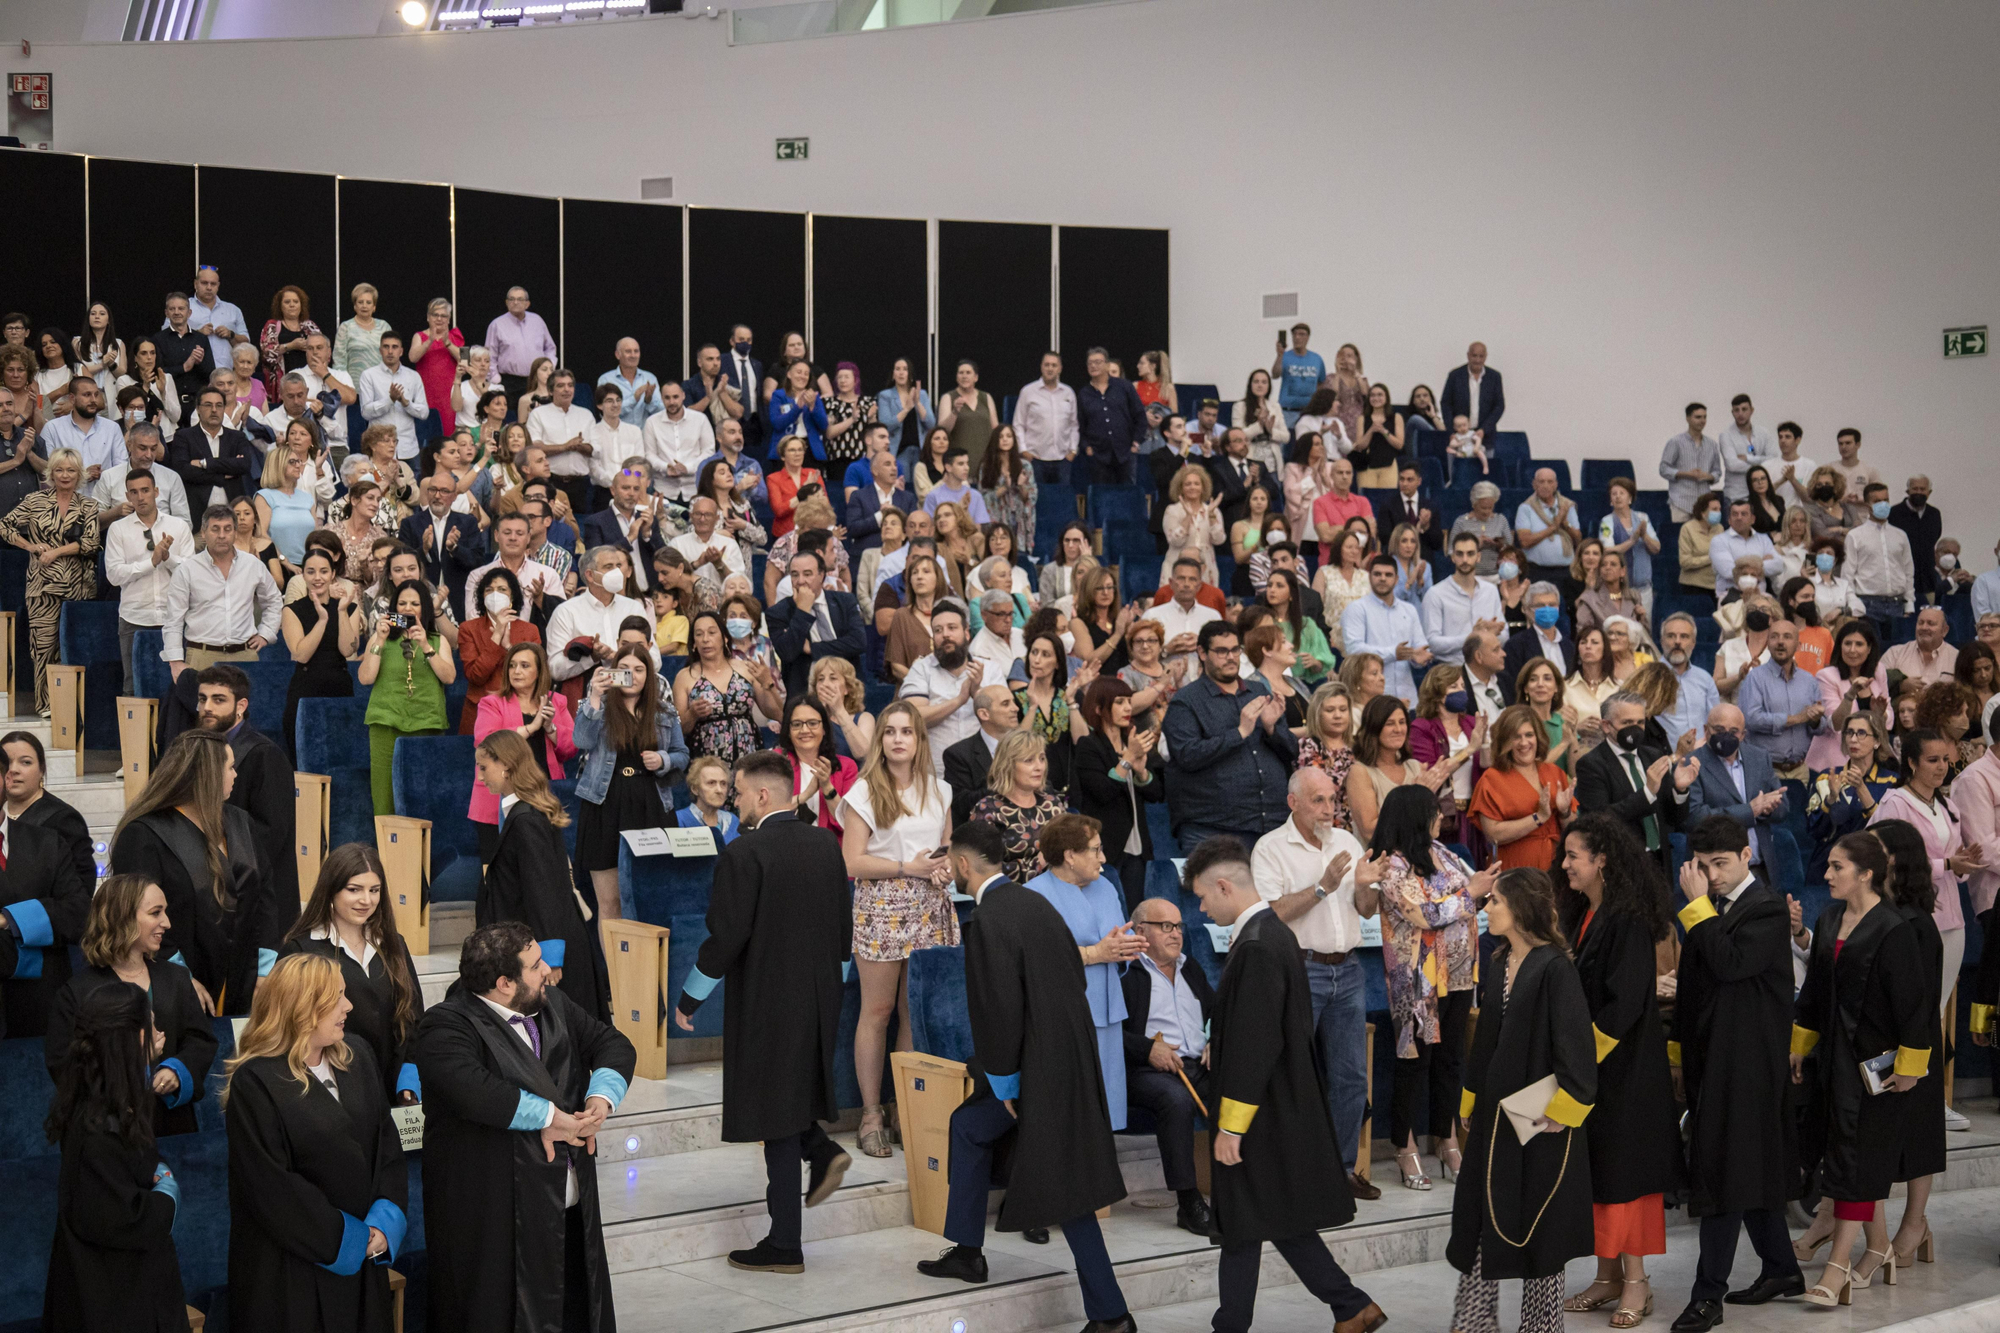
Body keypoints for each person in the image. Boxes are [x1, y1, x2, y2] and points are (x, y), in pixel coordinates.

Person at [914, 822, 1135, 1333]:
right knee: (969, 1127)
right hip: (1070, 1058)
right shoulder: (1038, 905)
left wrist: (1009, 1088)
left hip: (1036, 1071)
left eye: (952, 867)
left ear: (965, 866)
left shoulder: (990, 919)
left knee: (1069, 1191)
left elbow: (997, 1013)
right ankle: (968, 1251)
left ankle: (1112, 1316)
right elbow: (1075, 978)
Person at [658, 747, 857, 1274]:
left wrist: (688, 999)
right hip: (819, 998)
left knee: (774, 1113)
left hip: (768, 1003)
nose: (735, 800)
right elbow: (843, 930)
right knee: (788, 1104)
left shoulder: (743, 854)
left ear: (763, 794)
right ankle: (818, 1154)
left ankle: (785, 1243)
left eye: (739, 792)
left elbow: (726, 937)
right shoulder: (824, 846)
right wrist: (832, 993)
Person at [1182, 836, 1389, 1333]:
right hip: (1275, 1105)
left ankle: (1245, 1322)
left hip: (1258, 1113)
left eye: (1204, 897)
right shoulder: (1274, 933)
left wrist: (1230, 1127)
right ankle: (1349, 1305)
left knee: (1246, 1218)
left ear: (1225, 886)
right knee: (1260, 1218)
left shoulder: (1255, 945)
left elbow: (1256, 1044)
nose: (1203, 907)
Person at [413, 920, 634, 1333]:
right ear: (504, 983)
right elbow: (475, 1090)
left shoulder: (556, 1004)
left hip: (566, 1207)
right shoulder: (445, 1025)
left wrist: (599, 1100)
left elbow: (612, 1043)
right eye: (535, 966)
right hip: (496, 1221)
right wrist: (551, 1118)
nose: (547, 969)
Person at [220, 951, 408, 1332]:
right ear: (301, 1007)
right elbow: (273, 1188)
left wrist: (381, 1229)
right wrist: (354, 1240)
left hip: (363, 1263)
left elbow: (387, 1148)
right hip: (292, 1275)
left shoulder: (358, 1057)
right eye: (336, 997)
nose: (349, 1005)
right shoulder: (255, 1082)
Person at [1666, 815, 1803, 1330]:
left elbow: (1727, 963)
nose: (1712, 874)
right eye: (1702, 866)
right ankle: (1782, 1270)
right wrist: (1679, 1054)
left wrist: (1698, 908)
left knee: (1725, 1172)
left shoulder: (1766, 908)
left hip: (1750, 1060)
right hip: (1713, 1056)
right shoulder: (1711, 910)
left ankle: (1708, 1295)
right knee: (1748, 1167)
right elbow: (1693, 987)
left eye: (1721, 863)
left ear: (1747, 856)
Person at [1447, 865, 1596, 1333]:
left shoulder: (1555, 967)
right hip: (1495, 1118)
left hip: (1540, 1119)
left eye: (1495, 901)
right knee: (1479, 1216)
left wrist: (1563, 1110)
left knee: (1542, 1229)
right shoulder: (1499, 960)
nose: (1487, 907)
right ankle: (1472, 1322)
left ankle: (1541, 1327)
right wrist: (1471, 1101)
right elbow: (1485, 1041)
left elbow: (1576, 1046)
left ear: (1521, 909)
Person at [1788, 832, 1931, 1305]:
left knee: (1855, 1164)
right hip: (1834, 1064)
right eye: (1828, 866)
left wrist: (1910, 1067)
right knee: (1844, 1158)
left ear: (1866, 874)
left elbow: (1914, 1005)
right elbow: (1814, 994)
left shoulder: (1893, 928)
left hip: (1879, 1071)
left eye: (1837, 867)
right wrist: (1799, 1045)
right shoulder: (1829, 920)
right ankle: (1878, 1250)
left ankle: (1837, 1269)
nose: (1826, 875)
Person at [1555, 816, 1683, 1326]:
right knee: (1602, 1174)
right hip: (1599, 1069)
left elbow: (1626, 1002)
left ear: (1602, 860)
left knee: (1626, 1176)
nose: (1564, 864)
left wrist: (1580, 1057)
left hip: (1627, 1070)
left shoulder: (1625, 918)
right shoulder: (1588, 913)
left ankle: (1637, 1283)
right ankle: (1608, 1277)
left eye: (1573, 856)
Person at [1247, 765, 1389, 1201]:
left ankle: (1340, 1168)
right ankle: (1286, 1171)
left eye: (1332, 799)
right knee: (1290, 1075)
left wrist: (1367, 887)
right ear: (1293, 802)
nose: (1330, 810)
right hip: (1298, 970)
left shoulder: (1347, 841)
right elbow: (1270, 914)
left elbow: (1365, 910)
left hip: (1347, 970)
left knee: (1350, 1078)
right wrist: (1323, 888)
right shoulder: (1270, 849)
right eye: (1319, 801)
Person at [841, 700, 957, 1157]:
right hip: (882, 906)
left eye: (906, 731)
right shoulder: (864, 791)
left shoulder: (941, 790)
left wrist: (944, 870)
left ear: (919, 739)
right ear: (880, 740)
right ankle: (871, 1114)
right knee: (878, 1011)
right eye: (889, 732)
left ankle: (904, 1105)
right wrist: (907, 867)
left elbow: (944, 850)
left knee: (915, 1013)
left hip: (930, 906)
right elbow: (852, 860)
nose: (897, 739)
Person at [39, 981, 189, 1333]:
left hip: (125, 1294)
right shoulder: (97, 1132)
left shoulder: (109, 1105)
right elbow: (125, 1221)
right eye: (151, 1024)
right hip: (112, 1304)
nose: (159, 1031)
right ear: (136, 1038)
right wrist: (167, 1190)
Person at [109, 728, 270, 1017]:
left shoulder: (241, 822)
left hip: (244, 977)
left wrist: (266, 968)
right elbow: (136, 914)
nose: (236, 775)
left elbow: (266, 897)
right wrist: (177, 975)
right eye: (230, 767)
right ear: (206, 774)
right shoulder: (145, 835)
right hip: (174, 984)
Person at [44, 873, 216, 1137]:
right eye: (155, 912)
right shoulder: (77, 993)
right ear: (121, 917)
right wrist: (135, 1061)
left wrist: (178, 1070)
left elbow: (201, 1040)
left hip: (173, 1125)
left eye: (165, 912)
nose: (167, 923)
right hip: (109, 1134)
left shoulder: (177, 978)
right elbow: (65, 1068)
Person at [278, 843, 423, 1105]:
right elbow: (289, 1028)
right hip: (333, 1086)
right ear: (330, 890)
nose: (366, 900)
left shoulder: (393, 943)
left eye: (374, 890)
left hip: (394, 1086)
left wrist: (409, 1070)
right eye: (354, 890)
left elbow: (412, 1014)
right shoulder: (301, 948)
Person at [1118, 891, 1216, 1234]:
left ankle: (1245, 1185)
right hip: (1143, 1070)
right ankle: (1188, 1203)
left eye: (1178, 926)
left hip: (1195, 1065)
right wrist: (1147, 1050)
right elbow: (1104, 1032)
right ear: (1141, 932)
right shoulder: (1126, 974)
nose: (1176, 933)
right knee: (1175, 1099)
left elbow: (1218, 1011)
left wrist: (1215, 1040)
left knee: (1242, 1085)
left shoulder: (1191, 968)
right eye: (1166, 926)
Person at [571, 649, 687, 922]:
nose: (631, 676)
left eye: (639, 669)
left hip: (652, 804)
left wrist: (663, 759)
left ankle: (648, 965)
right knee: (609, 904)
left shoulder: (665, 711)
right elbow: (581, 741)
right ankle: (615, 966)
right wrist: (595, 698)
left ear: (649, 675)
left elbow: (682, 754)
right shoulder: (595, 705)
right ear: (612, 672)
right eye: (624, 668)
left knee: (651, 898)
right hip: (604, 805)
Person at [1162, 620, 1298, 852]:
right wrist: (1239, 733)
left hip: (1272, 822)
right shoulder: (1185, 702)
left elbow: (1292, 751)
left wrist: (1272, 729)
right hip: (1214, 828)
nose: (1231, 657)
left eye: (1235, 650)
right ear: (1202, 653)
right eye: (1222, 651)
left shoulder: (1259, 691)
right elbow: (1187, 755)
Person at [192, 665, 301, 936]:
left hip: (259, 900)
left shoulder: (264, 755)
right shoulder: (199, 751)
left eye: (219, 700)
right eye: (202, 698)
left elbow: (270, 833)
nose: (207, 707)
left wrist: (218, 862)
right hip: (219, 894)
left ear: (241, 705)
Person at [1, 447, 100, 714]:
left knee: (72, 650)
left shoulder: (88, 505)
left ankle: (72, 708)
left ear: (79, 473)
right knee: (43, 647)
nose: (64, 475)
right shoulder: (35, 501)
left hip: (78, 589)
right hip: (42, 587)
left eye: (70, 470)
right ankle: (46, 706)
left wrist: (56, 551)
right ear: (50, 472)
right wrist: (30, 546)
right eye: (59, 469)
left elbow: (91, 543)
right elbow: (4, 526)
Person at [357, 577, 456, 817]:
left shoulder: (436, 640)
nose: (408, 609)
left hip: (427, 723)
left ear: (424, 607)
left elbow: (449, 678)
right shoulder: (380, 639)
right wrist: (379, 639)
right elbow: (365, 678)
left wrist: (425, 645)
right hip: (385, 723)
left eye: (414, 603)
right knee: (384, 795)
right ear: (394, 609)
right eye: (402, 604)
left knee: (424, 794)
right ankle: (386, 851)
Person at [161, 503, 283, 682]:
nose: (222, 535)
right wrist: (175, 661)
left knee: (247, 709)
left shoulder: (253, 565)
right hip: (201, 656)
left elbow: (274, 600)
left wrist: (266, 633)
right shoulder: (187, 570)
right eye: (215, 529)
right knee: (202, 710)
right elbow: (173, 620)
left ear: (234, 532)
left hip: (245, 655)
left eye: (227, 529)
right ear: (203, 532)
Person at [1471, 704, 1575, 871]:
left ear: (1538, 737)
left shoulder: (1554, 772)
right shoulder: (1492, 778)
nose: (1524, 742)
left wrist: (1564, 812)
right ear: (1505, 741)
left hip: (1556, 867)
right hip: (1515, 872)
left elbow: (1573, 828)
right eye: (1516, 737)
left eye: (1529, 735)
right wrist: (1538, 818)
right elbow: (1493, 834)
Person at [676, 611, 783, 768]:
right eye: (699, 634)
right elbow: (677, 730)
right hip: (707, 764)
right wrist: (692, 714)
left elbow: (777, 713)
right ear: (693, 643)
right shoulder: (685, 676)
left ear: (725, 638)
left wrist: (768, 684)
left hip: (747, 758)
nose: (706, 639)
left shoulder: (745, 668)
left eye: (712, 632)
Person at [966, 726, 1065, 887]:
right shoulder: (988, 810)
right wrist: (1039, 862)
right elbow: (982, 870)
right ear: (1008, 765)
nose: (1039, 767)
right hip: (1010, 899)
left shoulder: (1052, 804)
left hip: (1057, 893)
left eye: (1041, 758)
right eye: (1029, 760)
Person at [767, 548, 866, 697]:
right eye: (795, 575)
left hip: (847, 689)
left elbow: (858, 642)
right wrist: (802, 611)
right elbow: (788, 653)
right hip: (805, 694)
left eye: (807, 574)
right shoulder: (779, 612)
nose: (800, 581)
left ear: (822, 575)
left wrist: (813, 649)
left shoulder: (845, 601)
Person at [778, 693, 859, 836]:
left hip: (830, 851)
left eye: (812, 723)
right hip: (786, 846)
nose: (805, 730)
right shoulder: (776, 762)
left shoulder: (846, 767)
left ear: (824, 729)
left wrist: (827, 786)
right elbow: (767, 814)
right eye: (797, 724)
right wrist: (806, 795)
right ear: (788, 731)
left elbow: (850, 825)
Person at [1847, 482, 1916, 642]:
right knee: (1872, 653)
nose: (1883, 504)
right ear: (1867, 504)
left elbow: (1908, 571)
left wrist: (1909, 602)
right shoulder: (1855, 536)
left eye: (1886, 500)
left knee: (1896, 654)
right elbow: (1848, 573)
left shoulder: (1900, 535)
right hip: (1868, 604)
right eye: (1877, 501)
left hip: (1896, 604)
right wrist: (1853, 602)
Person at [941, 683, 1018, 827]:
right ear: (984, 714)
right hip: (982, 837)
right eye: (1006, 704)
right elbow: (961, 805)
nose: (1016, 708)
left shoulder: (1026, 748)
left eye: (1013, 702)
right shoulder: (958, 754)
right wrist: (1008, 782)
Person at [1516, 466, 1580, 586]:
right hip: (1537, 571)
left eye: (1550, 482)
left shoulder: (1567, 506)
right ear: (1534, 484)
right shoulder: (1525, 508)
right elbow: (1524, 542)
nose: (1545, 485)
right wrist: (1554, 527)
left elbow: (1578, 539)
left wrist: (1565, 524)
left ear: (1556, 485)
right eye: (1541, 481)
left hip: (1567, 570)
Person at [1503, 582, 1575, 686]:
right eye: (1540, 605)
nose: (1547, 610)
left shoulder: (1569, 647)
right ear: (1526, 610)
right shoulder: (1515, 646)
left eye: (1552, 605)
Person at [1876, 605, 1957, 694]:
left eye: (1931, 623)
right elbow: (1876, 686)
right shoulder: (1895, 653)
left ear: (1944, 630)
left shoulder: (1956, 657)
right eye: (1920, 623)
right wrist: (1900, 687)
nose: (1924, 628)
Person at [1440, 340, 1504, 443]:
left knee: (1485, 459)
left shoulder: (1494, 377)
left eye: (1481, 356)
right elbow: (1446, 403)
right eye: (1474, 356)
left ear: (1486, 356)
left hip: (1485, 437)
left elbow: (1499, 406)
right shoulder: (1455, 376)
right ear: (1468, 355)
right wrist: (1451, 430)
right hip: (1458, 436)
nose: (1478, 360)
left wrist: (1484, 429)